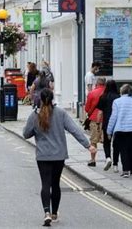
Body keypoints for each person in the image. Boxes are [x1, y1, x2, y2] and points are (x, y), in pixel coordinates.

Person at [23, 88, 95, 226]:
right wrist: (88, 145)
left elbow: (26, 134)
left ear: (40, 99)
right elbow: (75, 130)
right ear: (52, 99)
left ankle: (46, 213)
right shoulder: (61, 113)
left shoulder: (34, 115)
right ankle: (54, 213)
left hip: (43, 156)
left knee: (45, 184)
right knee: (55, 184)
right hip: (59, 155)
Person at [107, 84, 132, 178]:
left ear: (122, 91)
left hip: (121, 129)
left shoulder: (117, 102)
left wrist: (109, 131)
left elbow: (114, 117)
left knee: (123, 150)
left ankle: (125, 170)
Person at [96, 80, 121, 172]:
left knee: (106, 142)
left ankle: (108, 158)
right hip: (117, 124)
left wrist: (98, 123)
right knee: (116, 144)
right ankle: (115, 165)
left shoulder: (103, 97)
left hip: (107, 123)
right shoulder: (118, 97)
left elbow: (100, 112)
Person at [84, 77, 106, 167]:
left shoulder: (92, 93)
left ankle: (93, 160)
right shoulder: (108, 93)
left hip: (94, 119)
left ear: (96, 83)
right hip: (106, 119)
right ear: (105, 83)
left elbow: (87, 108)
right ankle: (108, 158)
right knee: (107, 141)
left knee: (93, 141)